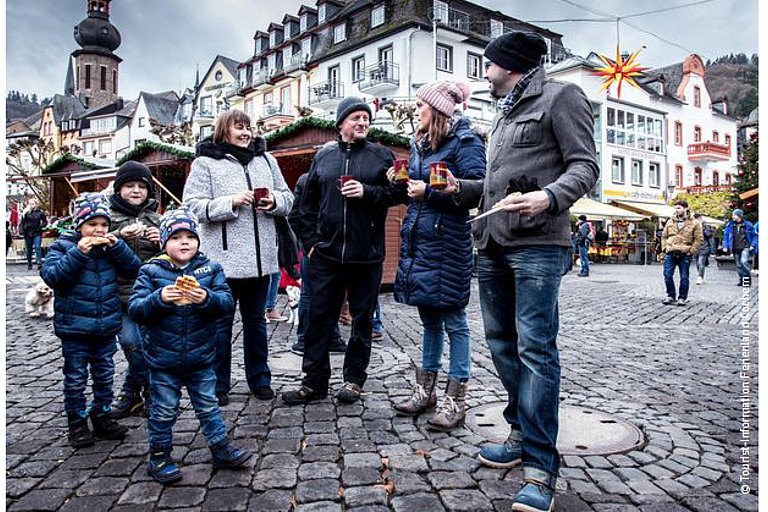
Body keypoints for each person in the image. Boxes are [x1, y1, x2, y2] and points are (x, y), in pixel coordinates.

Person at [437, 31, 599, 512]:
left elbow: (585, 167)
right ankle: (519, 430)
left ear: (510, 64)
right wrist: (457, 189)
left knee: (535, 350)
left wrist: (549, 197)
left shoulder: (562, 96)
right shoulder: (503, 112)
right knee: (503, 346)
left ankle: (540, 467)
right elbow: (494, 186)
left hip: (537, 245)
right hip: (492, 243)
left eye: (488, 65)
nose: (484, 74)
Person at [282, 97, 404, 405]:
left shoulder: (381, 156)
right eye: (356, 118)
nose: (362, 123)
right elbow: (302, 208)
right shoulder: (323, 158)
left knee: (362, 320)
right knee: (319, 319)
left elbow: (399, 193)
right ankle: (313, 383)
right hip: (326, 256)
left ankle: (353, 381)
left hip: (367, 255)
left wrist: (367, 192)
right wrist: (311, 245)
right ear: (341, 123)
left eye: (366, 118)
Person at [128, 207, 251, 484]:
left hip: (201, 356)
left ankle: (220, 448)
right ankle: (159, 455)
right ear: (163, 243)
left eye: (189, 236)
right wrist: (159, 298)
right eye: (175, 237)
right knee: (163, 409)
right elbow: (135, 308)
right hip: (162, 359)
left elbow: (226, 304)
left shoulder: (211, 269)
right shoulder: (150, 271)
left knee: (208, 405)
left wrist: (205, 297)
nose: (184, 242)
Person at [390, 80, 486, 431]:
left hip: (448, 243)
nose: (416, 110)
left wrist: (429, 192)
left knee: (455, 323)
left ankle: (455, 399)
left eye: (421, 106)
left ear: (438, 111)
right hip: (421, 241)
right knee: (429, 320)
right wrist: (402, 183)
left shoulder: (466, 141)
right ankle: (425, 391)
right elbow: (417, 189)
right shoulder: (420, 144)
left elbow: (478, 189)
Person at [183, 109, 294, 404]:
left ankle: (259, 379)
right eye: (239, 127)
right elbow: (192, 206)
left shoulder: (266, 160)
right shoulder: (205, 163)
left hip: (260, 262)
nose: (246, 133)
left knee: (256, 323)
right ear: (224, 130)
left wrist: (274, 201)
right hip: (223, 262)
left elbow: (288, 197)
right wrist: (229, 202)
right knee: (220, 325)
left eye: (249, 127)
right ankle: (218, 384)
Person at [41, 193, 141, 448]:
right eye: (92, 224)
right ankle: (76, 421)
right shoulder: (63, 247)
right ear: (79, 226)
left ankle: (102, 415)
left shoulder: (110, 248)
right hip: (74, 328)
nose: (98, 230)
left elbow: (135, 269)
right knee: (75, 377)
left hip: (105, 326)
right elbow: (53, 277)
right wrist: (78, 253)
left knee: (105, 374)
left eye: (104, 224)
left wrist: (118, 246)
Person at [107, 161, 162, 418]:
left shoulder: (156, 218)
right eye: (130, 185)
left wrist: (161, 242)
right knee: (131, 343)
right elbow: (96, 242)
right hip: (119, 294)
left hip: (150, 294)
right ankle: (149, 390)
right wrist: (119, 236)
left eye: (142, 186)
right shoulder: (107, 217)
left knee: (147, 345)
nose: (136, 190)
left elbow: (174, 254)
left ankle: (132, 394)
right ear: (119, 189)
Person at [287, 172, 345, 355]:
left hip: (328, 246)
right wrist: (309, 244)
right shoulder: (308, 180)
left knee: (331, 293)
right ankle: (304, 339)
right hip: (315, 247)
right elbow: (295, 216)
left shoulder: (315, 178)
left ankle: (331, 337)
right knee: (308, 293)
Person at [661, 200, 703, 305]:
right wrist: (664, 248)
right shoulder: (670, 221)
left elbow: (699, 239)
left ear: (685, 208)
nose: (676, 210)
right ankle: (671, 295)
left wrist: (691, 251)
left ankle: (682, 297)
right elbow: (664, 237)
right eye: (675, 208)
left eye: (679, 208)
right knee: (667, 274)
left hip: (685, 253)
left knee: (684, 276)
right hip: (670, 252)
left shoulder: (694, 223)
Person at [722, 208, 756, 286]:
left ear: (739, 216)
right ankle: (741, 280)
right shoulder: (730, 224)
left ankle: (747, 280)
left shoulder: (748, 224)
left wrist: (752, 245)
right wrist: (725, 246)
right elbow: (726, 236)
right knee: (738, 265)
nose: (732, 216)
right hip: (735, 247)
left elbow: (755, 235)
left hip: (745, 247)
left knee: (743, 262)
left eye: (734, 215)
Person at [20, 197, 47, 270]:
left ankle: (39, 263)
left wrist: (40, 226)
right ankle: (29, 263)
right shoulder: (26, 212)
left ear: (36, 204)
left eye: (32, 203)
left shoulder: (40, 212)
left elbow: (45, 222)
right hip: (27, 232)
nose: (30, 205)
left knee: (37, 247)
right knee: (28, 249)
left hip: (37, 232)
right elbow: (22, 222)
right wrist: (21, 230)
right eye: (29, 203)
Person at [693, 213, 714, 285]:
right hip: (695, 247)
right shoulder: (693, 226)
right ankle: (700, 274)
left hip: (704, 247)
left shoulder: (706, 226)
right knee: (697, 263)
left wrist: (703, 228)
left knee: (701, 262)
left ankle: (700, 277)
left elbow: (709, 235)